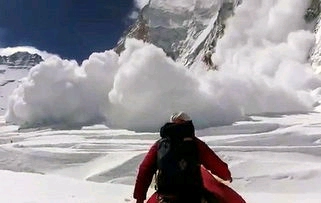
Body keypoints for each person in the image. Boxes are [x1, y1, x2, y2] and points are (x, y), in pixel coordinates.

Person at [133, 112, 233, 203]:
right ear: (189, 124)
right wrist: (226, 176)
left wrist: (139, 198)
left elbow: (144, 170)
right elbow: (215, 164)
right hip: (193, 197)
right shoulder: (196, 144)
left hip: (166, 197)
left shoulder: (160, 145)